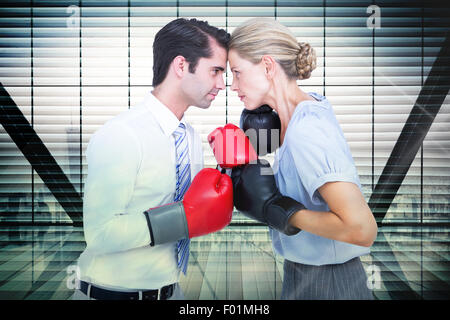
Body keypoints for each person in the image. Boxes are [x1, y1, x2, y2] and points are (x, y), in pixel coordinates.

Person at [72, 18, 233, 300]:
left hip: (172, 292)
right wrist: (183, 218)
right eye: (216, 71)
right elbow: (98, 233)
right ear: (181, 66)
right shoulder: (122, 134)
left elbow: (197, 207)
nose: (222, 84)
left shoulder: (189, 137)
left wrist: (234, 171)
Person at [227, 18, 378, 300]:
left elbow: (362, 229)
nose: (232, 85)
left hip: (328, 282)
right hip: (307, 274)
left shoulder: (306, 130)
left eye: (237, 72)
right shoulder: (296, 115)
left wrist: (282, 211)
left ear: (268, 66)